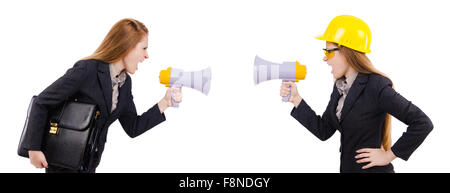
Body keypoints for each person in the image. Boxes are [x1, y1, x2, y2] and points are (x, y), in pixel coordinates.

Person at [25, 18, 182, 173]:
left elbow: (133, 127)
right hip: (62, 164)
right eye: (144, 48)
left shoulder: (125, 84)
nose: (147, 55)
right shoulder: (87, 70)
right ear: (127, 46)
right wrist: (33, 148)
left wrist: (165, 102)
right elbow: (41, 102)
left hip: (88, 166)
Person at [280, 15, 433, 172]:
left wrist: (388, 155)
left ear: (347, 52)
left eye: (329, 51)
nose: (325, 58)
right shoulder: (340, 87)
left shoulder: (376, 85)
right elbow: (324, 130)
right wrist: (296, 100)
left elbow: (422, 123)